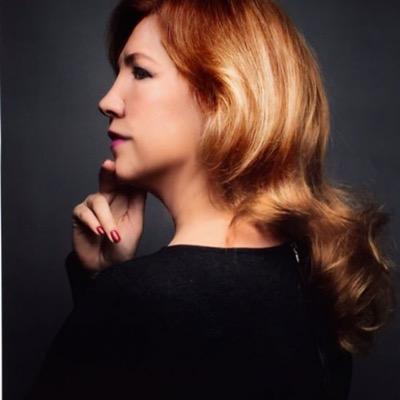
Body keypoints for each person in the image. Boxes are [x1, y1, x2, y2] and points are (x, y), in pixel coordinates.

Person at [26, 1, 396, 399]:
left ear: (223, 96)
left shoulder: (138, 301)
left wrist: (106, 294)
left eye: (140, 72)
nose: (108, 101)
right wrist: (100, 280)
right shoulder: (318, 285)